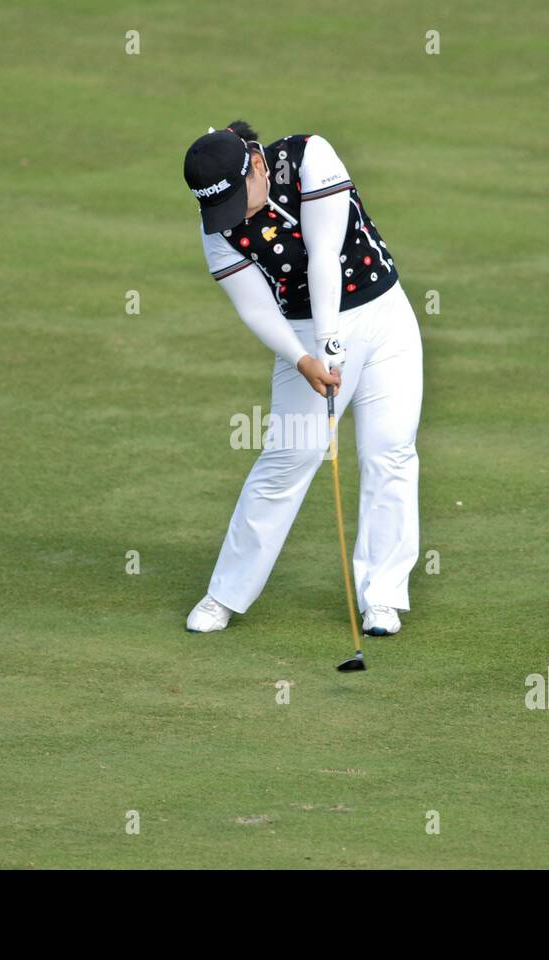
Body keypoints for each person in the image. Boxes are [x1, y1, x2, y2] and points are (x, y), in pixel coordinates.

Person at [182, 120, 423, 637]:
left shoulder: (310, 157)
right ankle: (225, 593)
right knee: (290, 457)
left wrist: (329, 342)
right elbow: (256, 309)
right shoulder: (218, 230)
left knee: (390, 451)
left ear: (257, 165)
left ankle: (382, 597)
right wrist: (304, 358)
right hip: (300, 329)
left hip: (383, 316)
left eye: (236, 199)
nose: (233, 218)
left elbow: (324, 258)